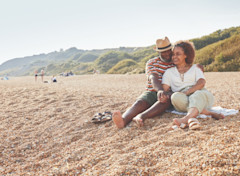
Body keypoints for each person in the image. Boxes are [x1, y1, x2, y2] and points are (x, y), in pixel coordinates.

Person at [112, 37, 175, 128]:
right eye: (163, 51)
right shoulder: (152, 62)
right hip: (152, 90)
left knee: (166, 99)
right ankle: (123, 120)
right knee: (140, 103)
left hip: (168, 92)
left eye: (168, 50)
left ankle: (142, 116)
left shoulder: (175, 62)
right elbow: (153, 77)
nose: (167, 53)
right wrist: (160, 90)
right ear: (158, 52)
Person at [161, 40, 224, 128]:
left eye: (178, 54)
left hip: (201, 94)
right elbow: (164, 89)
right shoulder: (169, 72)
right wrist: (162, 94)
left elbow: (201, 83)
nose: (174, 57)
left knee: (196, 95)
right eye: (173, 54)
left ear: (186, 55)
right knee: (175, 97)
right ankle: (207, 112)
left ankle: (186, 118)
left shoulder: (195, 68)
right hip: (182, 97)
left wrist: (187, 92)